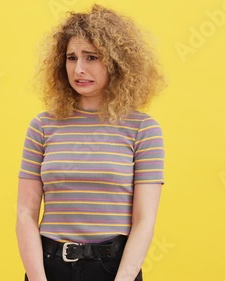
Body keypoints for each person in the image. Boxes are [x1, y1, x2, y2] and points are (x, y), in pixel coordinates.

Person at [16, 4, 166, 281]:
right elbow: (26, 212)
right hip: (48, 267)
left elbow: (144, 220)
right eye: (71, 58)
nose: (79, 69)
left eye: (92, 57)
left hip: (114, 269)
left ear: (117, 61)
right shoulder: (42, 126)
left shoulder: (143, 129)